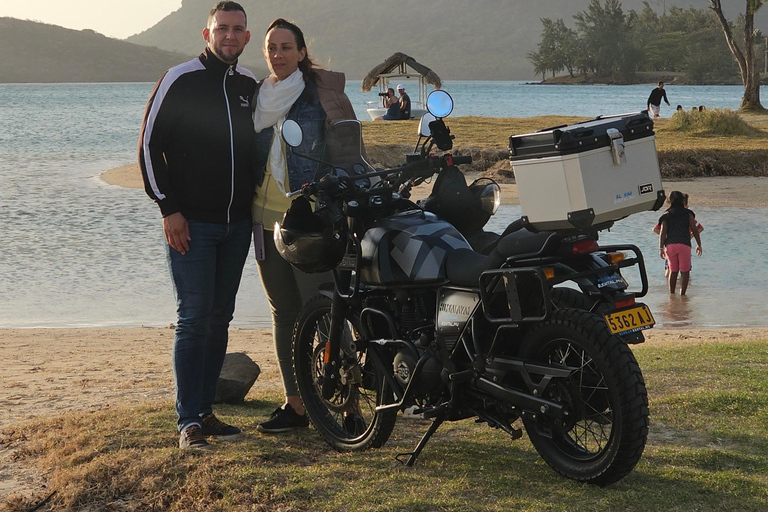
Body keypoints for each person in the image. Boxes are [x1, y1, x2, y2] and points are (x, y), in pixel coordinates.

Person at [138, 1, 258, 450]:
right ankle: (187, 420)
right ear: (206, 34)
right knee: (193, 318)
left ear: (247, 37)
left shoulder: (249, 85)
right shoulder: (180, 78)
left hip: (238, 224)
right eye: (222, 28)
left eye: (237, 29)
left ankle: (206, 411)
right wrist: (168, 208)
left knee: (219, 317)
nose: (230, 36)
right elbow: (150, 146)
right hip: (192, 224)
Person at [251, 18, 358, 433]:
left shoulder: (320, 96)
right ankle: (295, 405)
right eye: (271, 48)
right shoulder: (258, 96)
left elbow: (348, 152)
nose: (278, 54)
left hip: (311, 221)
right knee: (284, 312)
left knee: (329, 310)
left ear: (301, 52)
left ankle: (350, 407)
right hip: (263, 220)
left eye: (285, 47)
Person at [658, 191, 703, 295]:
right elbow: (694, 229)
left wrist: (660, 248)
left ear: (669, 201)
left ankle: (672, 294)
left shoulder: (666, 215)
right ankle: (683, 294)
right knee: (685, 271)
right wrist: (699, 244)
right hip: (684, 244)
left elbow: (662, 232)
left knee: (673, 270)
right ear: (683, 200)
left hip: (670, 245)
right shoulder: (688, 213)